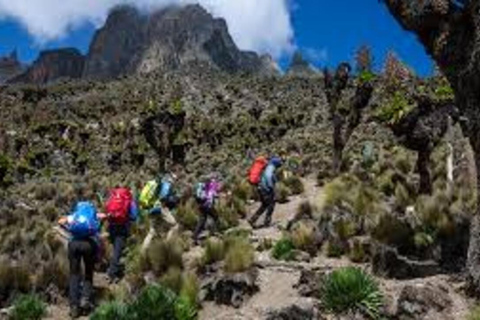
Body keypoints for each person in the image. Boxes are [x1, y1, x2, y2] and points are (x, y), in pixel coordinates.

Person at [58, 199, 101, 318]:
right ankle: (85, 300)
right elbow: (99, 222)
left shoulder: (74, 216)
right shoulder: (92, 214)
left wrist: (69, 229)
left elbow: (60, 221)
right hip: (89, 244)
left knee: (74, 274)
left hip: (74, 244)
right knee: (88, 272)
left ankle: (74, 307)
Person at [103, 187, 138, 283]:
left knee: (114, 248)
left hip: (111, 225)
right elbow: (134, 216)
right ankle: (111, 274)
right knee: (118, 251)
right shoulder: (129, 200)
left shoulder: (113, 196)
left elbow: (106, 208)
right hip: (122, 227)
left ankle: (111, 268)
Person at [140, 173, 179, 253]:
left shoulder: (157, 184)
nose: (175, 181)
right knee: (174, 225)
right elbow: (163, 196)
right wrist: (171, 200)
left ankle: (142, 252)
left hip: (151, 209)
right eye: (175, 179)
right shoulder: (166, 184)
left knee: (152, 231)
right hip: (161, 208)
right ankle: (167, 247)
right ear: (170, 178)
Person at [248, 156, 283, 228]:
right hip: (265, 189)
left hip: (261, 188)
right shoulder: (270, 168)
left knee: (264, 205)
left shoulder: (268, 167)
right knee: (271, 204)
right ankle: (267, 221)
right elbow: (268, 177)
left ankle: (253, 219)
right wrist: (271, 187)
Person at [193, 176, 221, 245]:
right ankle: (213, 232)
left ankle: (195, 236)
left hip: (201, 205)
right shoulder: (212, 185)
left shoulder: (201, 186)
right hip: (207, 206)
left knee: (202, 220)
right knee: (215, 216)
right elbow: (213, 194)